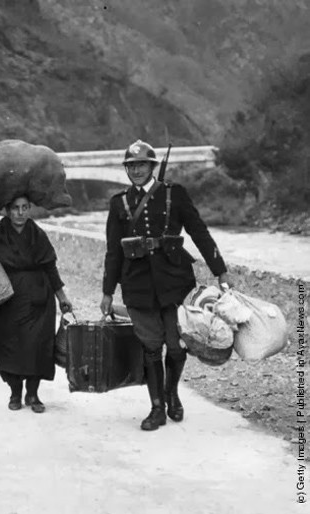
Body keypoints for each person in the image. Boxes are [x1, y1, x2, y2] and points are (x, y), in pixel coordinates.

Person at [100, 139, 233, 431]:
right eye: (131, 166)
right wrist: (108, 291)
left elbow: (199, 232)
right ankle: (157, 407)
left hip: (175, 282)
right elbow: (113, 251)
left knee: (176, 345)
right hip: (137, 285)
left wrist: (220, 271)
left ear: (152, 166)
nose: (136, 171)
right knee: (150, 346)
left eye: (142, 165)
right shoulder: (119, 202)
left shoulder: (175, 194)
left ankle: (172, 393)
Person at [0, 196, 73, 413]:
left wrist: (62, 297)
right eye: (16, 208)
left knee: (38, 347)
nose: (20, 213)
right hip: (6, 300)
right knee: (8, 347)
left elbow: (50, 267)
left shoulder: (37, 235)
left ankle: (33, 394)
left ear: (30, 209)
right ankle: (15, 392)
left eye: (24, 208)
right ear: (7, 211)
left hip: (39, 300)